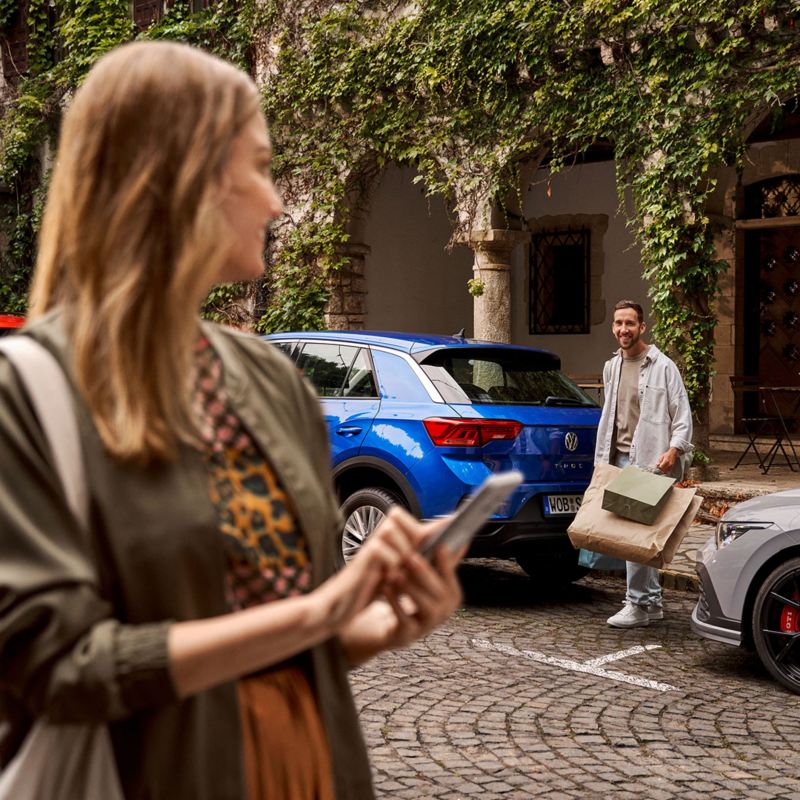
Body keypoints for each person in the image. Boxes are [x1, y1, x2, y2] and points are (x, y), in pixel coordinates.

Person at [0, 41, 463, 799]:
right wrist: (317, 612)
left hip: (307, 766)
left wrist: (369, 628)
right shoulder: (30, 391)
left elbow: (280, 631)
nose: (277, 201)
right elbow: (58, 668)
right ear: (173, 178)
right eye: (258, 166)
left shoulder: (269, 380)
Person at [595, 300, 693, 629]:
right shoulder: (612, 367)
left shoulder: (663, 366)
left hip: (649, 461)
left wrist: (675, 450)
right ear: (613, 327)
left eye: (630, 324)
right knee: (637, 535)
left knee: (635, 534)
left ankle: (636, 604)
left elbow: (682, 414)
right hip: (618, 458)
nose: (624, 329)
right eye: (618, 323)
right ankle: (651, 603)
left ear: (642, 327)